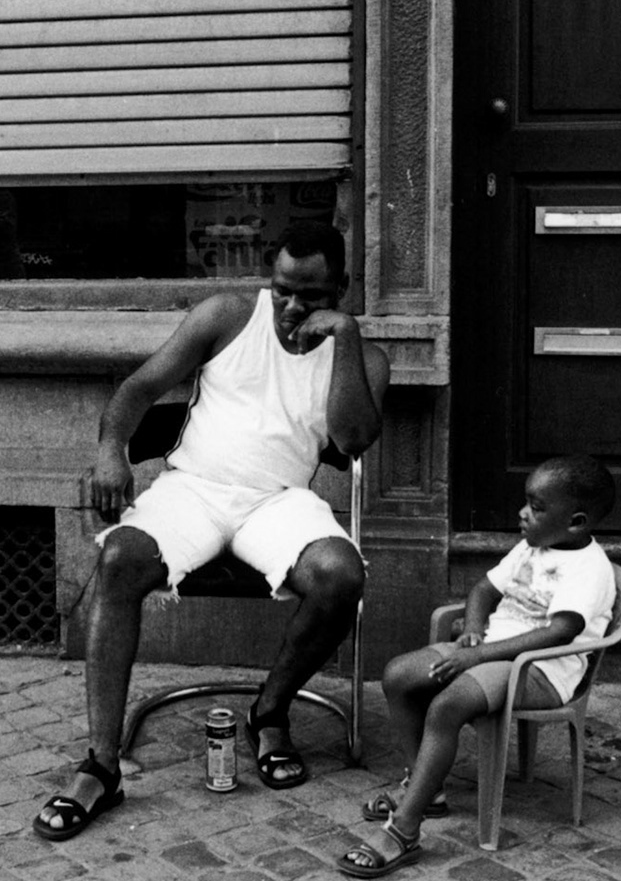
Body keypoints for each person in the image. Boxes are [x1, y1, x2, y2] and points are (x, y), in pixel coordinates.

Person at [32, 220, 390, 841]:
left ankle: (270, 711)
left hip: (278, 502)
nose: (292, 307)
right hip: (193, 490)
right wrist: (111, 450)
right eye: (281, 290)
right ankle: (100, 765)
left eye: (312, 296)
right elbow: (139, 387)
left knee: (341, 576)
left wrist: (348, 338)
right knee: (119, 558)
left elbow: (353, 440)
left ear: (343, 289)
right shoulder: (226, 316)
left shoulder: (363, 356)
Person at [338, 453, 617, 878]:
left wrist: (477, 655)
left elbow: (559, 633)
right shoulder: (531, 547)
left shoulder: (589, 569)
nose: (523, 514)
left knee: (448, 704)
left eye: (537, 508)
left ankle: (404, 830)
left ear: (576, 522)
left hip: (541, 670)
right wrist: (471, 629)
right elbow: (484, 590)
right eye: (526, 502)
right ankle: (424, 788)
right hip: (492, 652)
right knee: (398, 676)